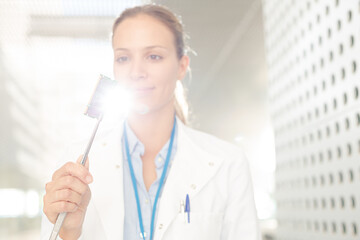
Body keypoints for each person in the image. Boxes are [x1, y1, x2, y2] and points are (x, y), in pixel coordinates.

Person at [41, 4, 260, 240]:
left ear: (182, 66)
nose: (136, 71)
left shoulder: (229, 164)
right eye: (123, 58)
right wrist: (69, 232)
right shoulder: (75, 163)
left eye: (153, 56)